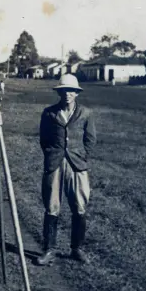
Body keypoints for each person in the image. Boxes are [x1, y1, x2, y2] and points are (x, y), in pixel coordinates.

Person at [35, 74, 97, 266]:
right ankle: (49, 250)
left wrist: (82, 156)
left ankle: (76, 249)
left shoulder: (86, 113)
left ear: (77, 93)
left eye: (71, 91)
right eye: (63, 91)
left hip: (77, 165)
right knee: (52, 206)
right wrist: (52, 154)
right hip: (55, 163)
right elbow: (44, 139)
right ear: (59, 92)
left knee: (79, 206)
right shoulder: (49, 113)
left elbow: (90, 140)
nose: (67, 94)